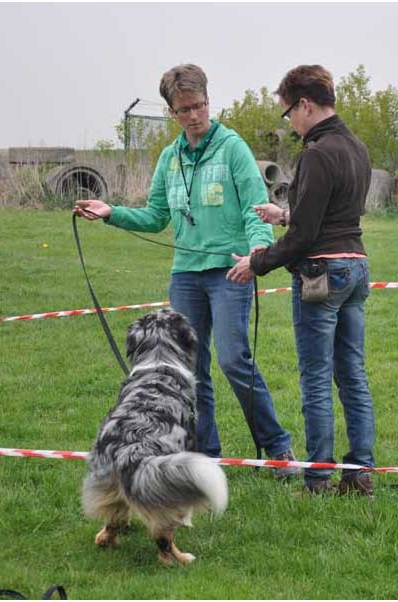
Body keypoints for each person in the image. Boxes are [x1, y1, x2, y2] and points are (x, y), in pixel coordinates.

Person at [74, 64, 298, 479]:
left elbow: (255, 208)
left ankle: (278, 447)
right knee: (191, 371)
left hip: (231, 272)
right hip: (186, 276)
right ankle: (203, 452)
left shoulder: (233, 148)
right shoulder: (169, 158)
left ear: (208, 102)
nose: (194, 115)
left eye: (199, 106)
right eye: (184, 109)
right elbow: (157, 215)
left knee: (234, 360)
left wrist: (258, 250)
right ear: (173, 112)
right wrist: (111, 213)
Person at [227, 65, 376, 498]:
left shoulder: (316, 152)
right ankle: (359, 473)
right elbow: (334, 217)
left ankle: (316, 480)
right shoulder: (356, 147)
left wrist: (257, 262)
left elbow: (306, 237)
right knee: (352, 375)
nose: (289, 121)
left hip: (320, 275)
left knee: (315, 377)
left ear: (305, 105)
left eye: (288, 112)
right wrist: (284, 214)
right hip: (356, 268)